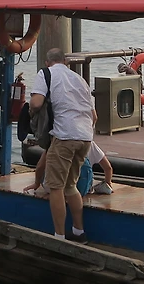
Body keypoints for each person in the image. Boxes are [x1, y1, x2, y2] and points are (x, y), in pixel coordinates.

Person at [21, 48, 97, 242]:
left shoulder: (45, 74)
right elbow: (94, 116)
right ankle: (79, 232)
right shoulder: (80, 80)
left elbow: (36, 103)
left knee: (56, 187)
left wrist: (29, 115)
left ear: (47, 62)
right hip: (85, 137)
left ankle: (59, 237)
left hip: (64, 136)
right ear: (66, 61)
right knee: (71, 185)